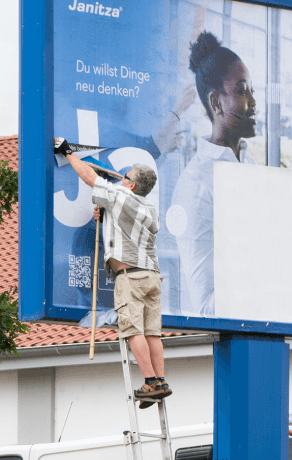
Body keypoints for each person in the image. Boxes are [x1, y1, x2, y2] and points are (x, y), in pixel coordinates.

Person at [54, 136, 171, 407]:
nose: (120, 178)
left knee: (133, 331)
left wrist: (67, 152)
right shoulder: (149, 209)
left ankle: (150, 382)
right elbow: (128, 226)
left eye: (125, 176)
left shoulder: (121, 195)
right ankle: (161, 380)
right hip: (152, 276)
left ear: (131, 184)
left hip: (130, 277)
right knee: (153, 332)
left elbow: (88, 177)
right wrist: (107, 216)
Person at [168, 31, 258, 317]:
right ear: (216, 103)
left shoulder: (251, 165)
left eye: (252, 90)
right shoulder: (195, 185)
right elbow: (205, 306)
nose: (253, 102)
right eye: (243, 90)